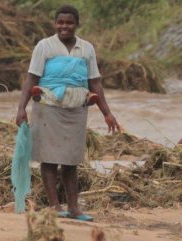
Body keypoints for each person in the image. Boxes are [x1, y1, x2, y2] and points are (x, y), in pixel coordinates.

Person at [15, 5, 119, 222]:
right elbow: (31, 78)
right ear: (55, 24)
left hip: (76, 108)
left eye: (69, 23)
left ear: (77, 24)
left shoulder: (87, 48)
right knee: (50, 159)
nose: (64, 26)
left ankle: (74, 208)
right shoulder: (44, 46)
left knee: (71, 160)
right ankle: (54, 206)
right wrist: (21, 108)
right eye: (60, 22)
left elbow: (95, 83)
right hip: (47, 106)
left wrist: (107, 113)